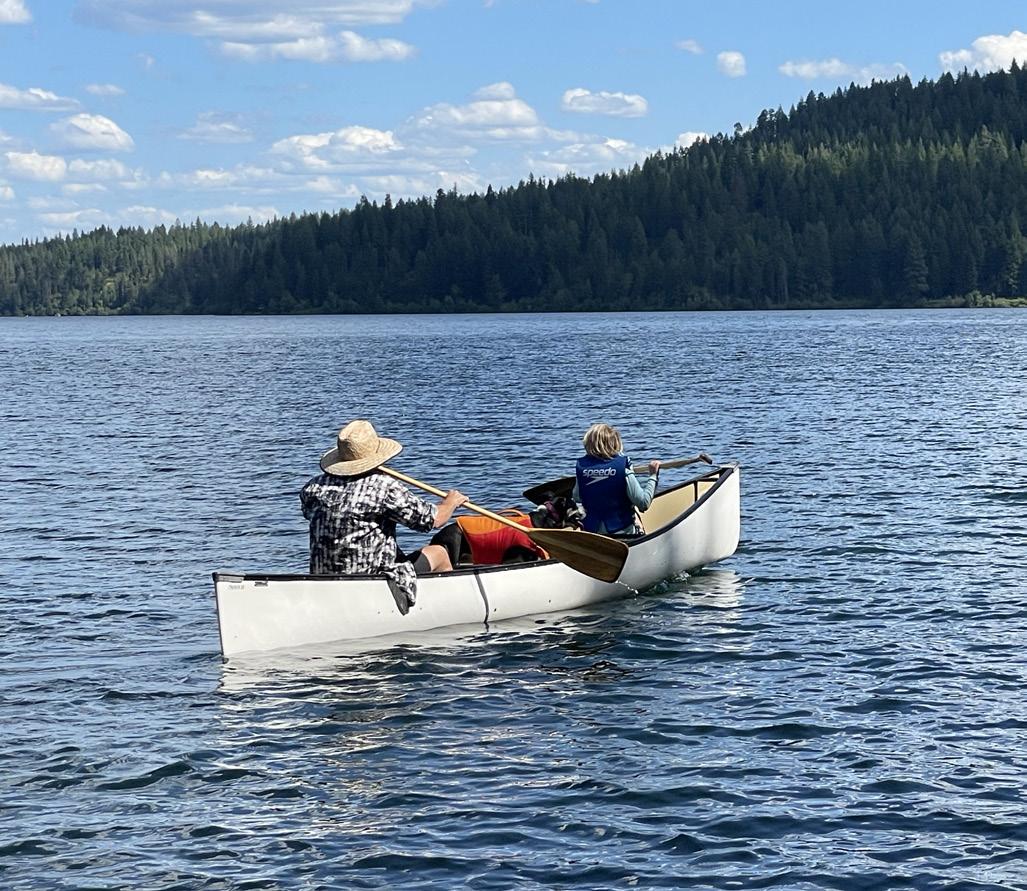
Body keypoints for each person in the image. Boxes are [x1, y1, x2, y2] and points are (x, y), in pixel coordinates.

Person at [300, 420, 467, 612]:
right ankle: (448, 610)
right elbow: (432, 520)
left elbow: (315, 513)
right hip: (370, 580)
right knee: (439, 553)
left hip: (323, 579)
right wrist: (450, 502)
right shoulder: (383, 487)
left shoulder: (314, 488)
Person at [573, 423, 660, 536]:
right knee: (636, 514)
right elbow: (643, 503)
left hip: (592, 534)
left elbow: (577, 497)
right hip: (621, 533)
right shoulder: (622, 469)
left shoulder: (582, 468)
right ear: (615, 443)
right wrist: (653, 475)